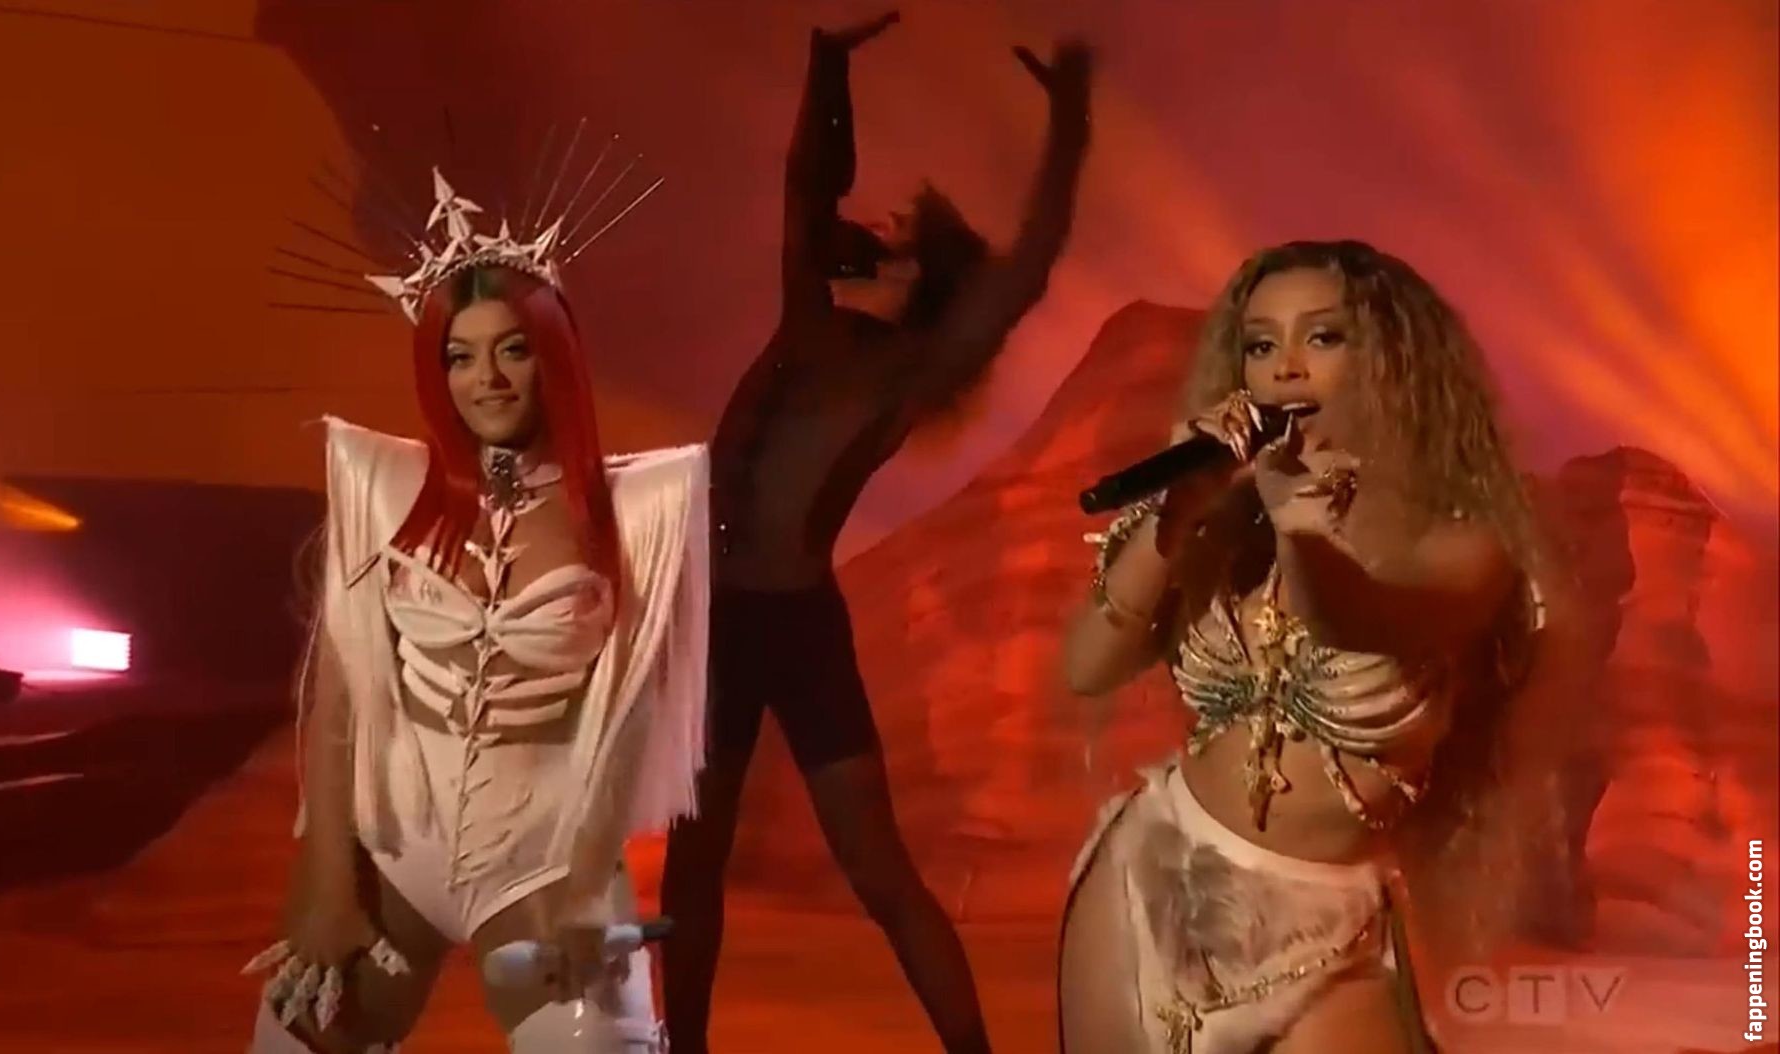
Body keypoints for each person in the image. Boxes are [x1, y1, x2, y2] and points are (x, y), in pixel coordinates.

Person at [659, 13, 1091, 1054]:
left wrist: (1069, 124)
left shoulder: (907, 373)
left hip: (792, 625)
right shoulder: (808, 320)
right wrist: (828, 65)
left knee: (876, 867)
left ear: (924, 283)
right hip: (716, 622)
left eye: (894, 242)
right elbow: (807, 191)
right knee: (693, 863)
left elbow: (1025, 271)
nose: (870, 239)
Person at [245, 169, 709, 1053]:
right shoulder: (385, 490)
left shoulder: (639, 512)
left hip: (546, 864)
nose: (485, 379)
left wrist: (586, 886)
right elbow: (340, 697)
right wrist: (326, 877)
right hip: (392, 851)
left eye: (512, 350)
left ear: (553, 357)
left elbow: (633, 711)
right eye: (459, 356)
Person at [1059, 240, 1552, 1053]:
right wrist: (1177, 518)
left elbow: (1356, 620)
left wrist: (1300, 527)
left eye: (1324, 337)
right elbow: (1087, 667)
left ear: (1396, 362)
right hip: (1146, 884)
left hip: (1323, 939)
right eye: (1260, 345)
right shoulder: (1223, 525)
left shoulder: (1466, 540)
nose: (1285, 367)